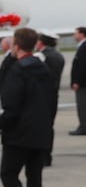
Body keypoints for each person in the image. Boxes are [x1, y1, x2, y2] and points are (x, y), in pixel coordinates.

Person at [0, 28, 55, 187]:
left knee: (8, 174)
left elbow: (12, 107)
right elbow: (52, 102)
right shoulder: (44, 70)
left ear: (16, 46)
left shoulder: (18, 71)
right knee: (34, 176)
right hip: (42, 131)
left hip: (20, 133)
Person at [35, 29, 65, 165]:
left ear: (41, 42)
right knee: (49, 126)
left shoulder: (42, 57)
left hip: (41, 97)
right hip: (53, 95)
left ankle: (42, 156)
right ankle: (47, 155)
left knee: (40, 127)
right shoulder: (58, 56)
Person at [69, 26, 86, 135]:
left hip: (83, 84)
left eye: (76, 33)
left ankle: (83, 127)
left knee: (82, 106)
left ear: (82, 34)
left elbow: (82, 66)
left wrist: (77, 82)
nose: (74, 36)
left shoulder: (84, 47)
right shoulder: (82, 46)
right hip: (82, 82)